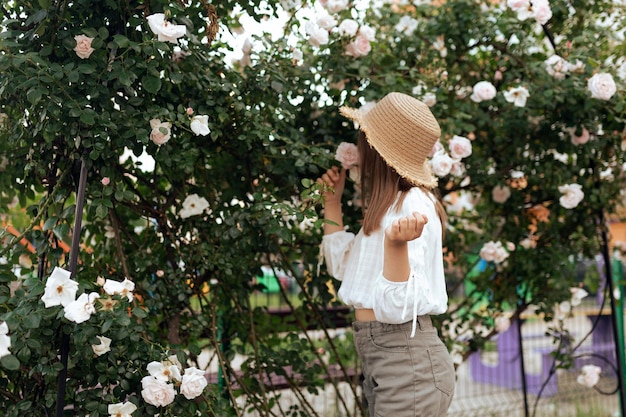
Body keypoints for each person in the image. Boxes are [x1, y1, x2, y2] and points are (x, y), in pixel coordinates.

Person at [318, 92, 455, 417]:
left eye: (364, 141)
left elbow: (398, 307)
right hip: (388, 357)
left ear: (377, 151)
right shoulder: (387, 206)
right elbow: (344, 267)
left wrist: (396, 246)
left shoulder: (412, 205)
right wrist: (332, 204)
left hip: (406, 361)